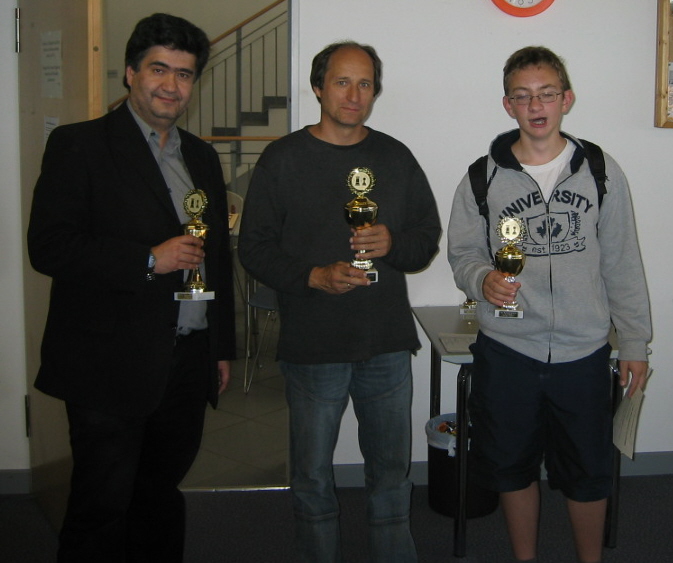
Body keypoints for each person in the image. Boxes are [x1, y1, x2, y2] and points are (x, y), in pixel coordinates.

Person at [27, 13, 236, 562]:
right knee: (100, 507)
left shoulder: (200, 157)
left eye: (184, 74)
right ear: (130, 73)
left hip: (185, 362)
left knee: (158, 497)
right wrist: (148, 259)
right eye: (158, 69)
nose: (171, 85)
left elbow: (215, 257)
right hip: (107, 363)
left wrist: (218, 347)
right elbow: (49, 247)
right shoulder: (79, 146)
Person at [447, 46, 652, 563]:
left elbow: (622, 262)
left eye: (546, 94)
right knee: (512, 468)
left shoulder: (600, 171)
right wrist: (482, 280)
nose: (535, 105)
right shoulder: (481, 177)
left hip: (583, 353)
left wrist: (634, 342)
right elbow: (463, 254)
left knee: (588, 472)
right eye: (522, 96)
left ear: (567, 99)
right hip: (508, 351)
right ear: (507, 105)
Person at [238, 41, 441, 562]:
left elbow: (426, 239)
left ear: (375, 91)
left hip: (386, 343)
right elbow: (253, 248)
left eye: (365, 83)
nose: (354, 95)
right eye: (342, 82)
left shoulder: (395, 157)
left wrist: (393, 243)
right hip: (313, 345)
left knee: (391, 477)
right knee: (311, 479)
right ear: (318, 87)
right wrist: (312, 276)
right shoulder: (283, 158)